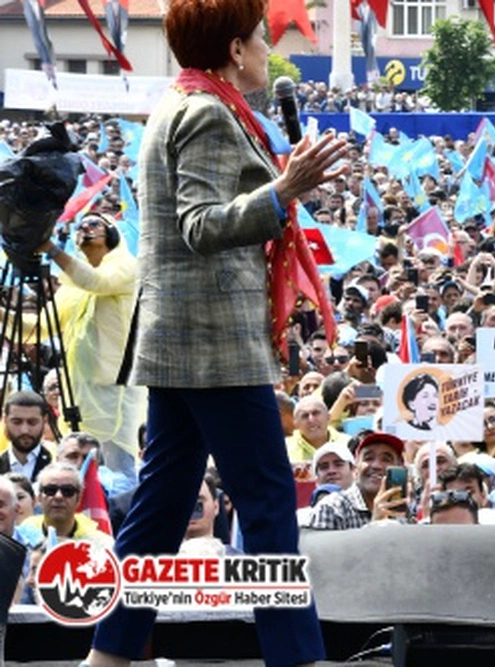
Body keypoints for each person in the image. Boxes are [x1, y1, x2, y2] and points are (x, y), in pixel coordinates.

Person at [87, 0, 346, 662]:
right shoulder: (205, 113)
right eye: (260, 37)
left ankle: (111, 650)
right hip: (213, 346)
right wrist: (284, 191)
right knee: (266, 507)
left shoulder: (187, 102)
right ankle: (297, 655)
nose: (267, 50)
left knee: (160, 509)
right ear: (234, 49)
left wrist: (284, 187)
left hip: (182, 338)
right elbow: (200, 224)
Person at [34, 212, 145, 488]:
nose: (85, 229)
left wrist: (51, 248)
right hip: (80, 398)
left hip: (117, 398)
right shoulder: (74, 285)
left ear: (113, 233)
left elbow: (97, 282)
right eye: (80, 226)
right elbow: (36, 328)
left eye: (94, 224)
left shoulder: (127, 267)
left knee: (121, 478)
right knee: (75, 476)